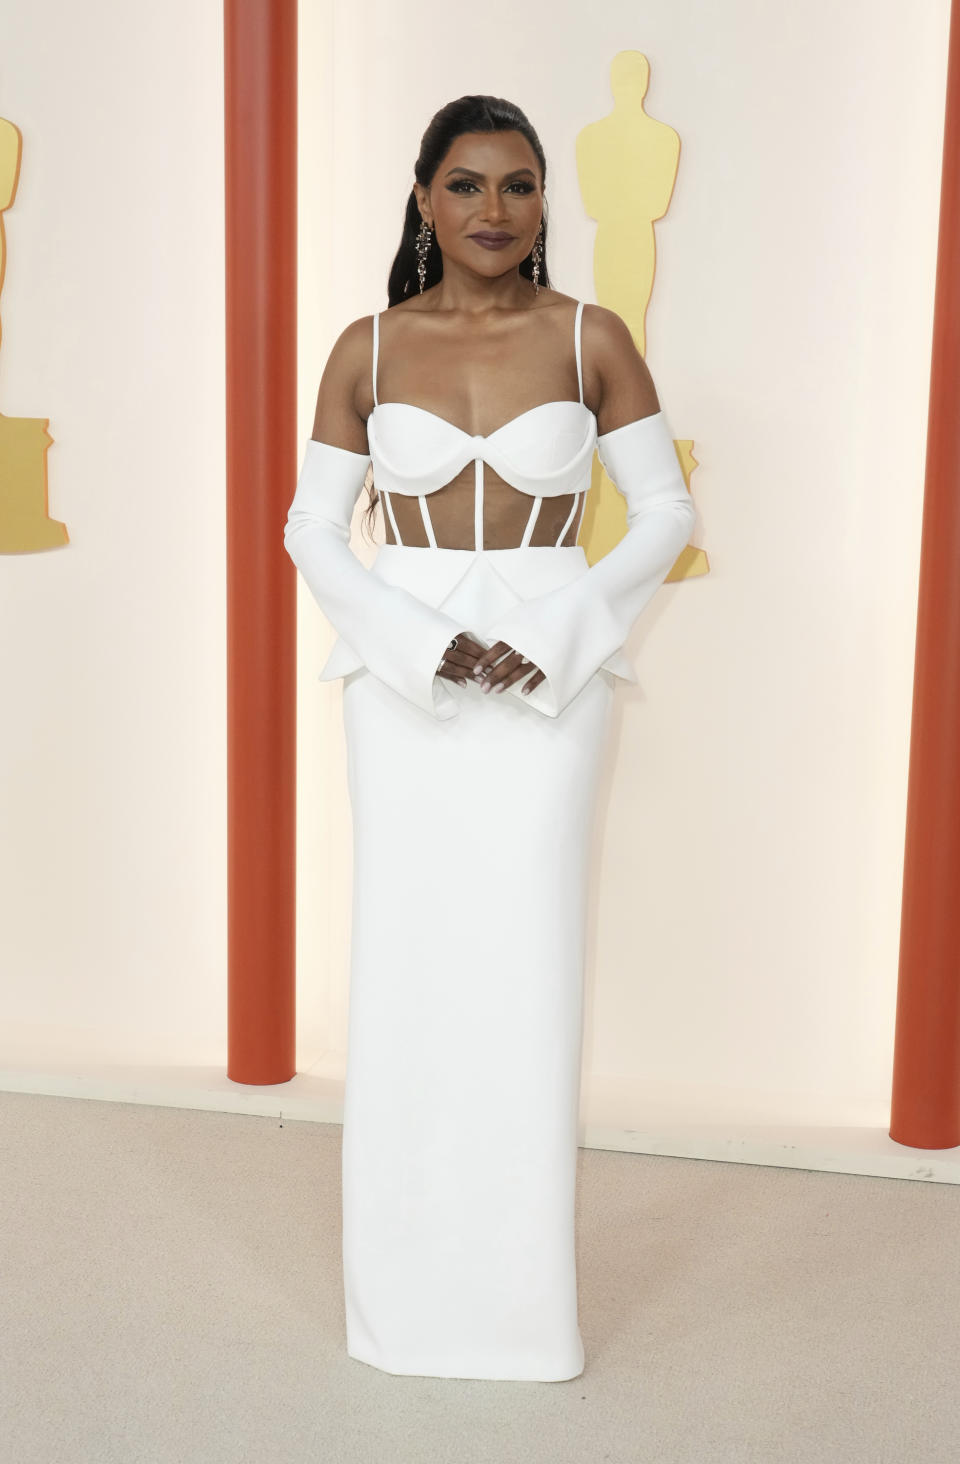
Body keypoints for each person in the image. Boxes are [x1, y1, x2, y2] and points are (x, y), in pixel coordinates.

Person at [283, 94, 696, 1383]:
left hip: (545, 688)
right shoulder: (367, 346)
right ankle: (399, 1310)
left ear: (541, 206)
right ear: (424, 200)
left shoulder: (591, 337)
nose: (493, 210)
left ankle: (521, 1316)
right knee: (407, 972)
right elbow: (310, 529)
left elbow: (665, 511)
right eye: (466, 186)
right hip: (403, 691)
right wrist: (418, 647)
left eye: (518, 187)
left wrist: (561, 632)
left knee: (525, 973)